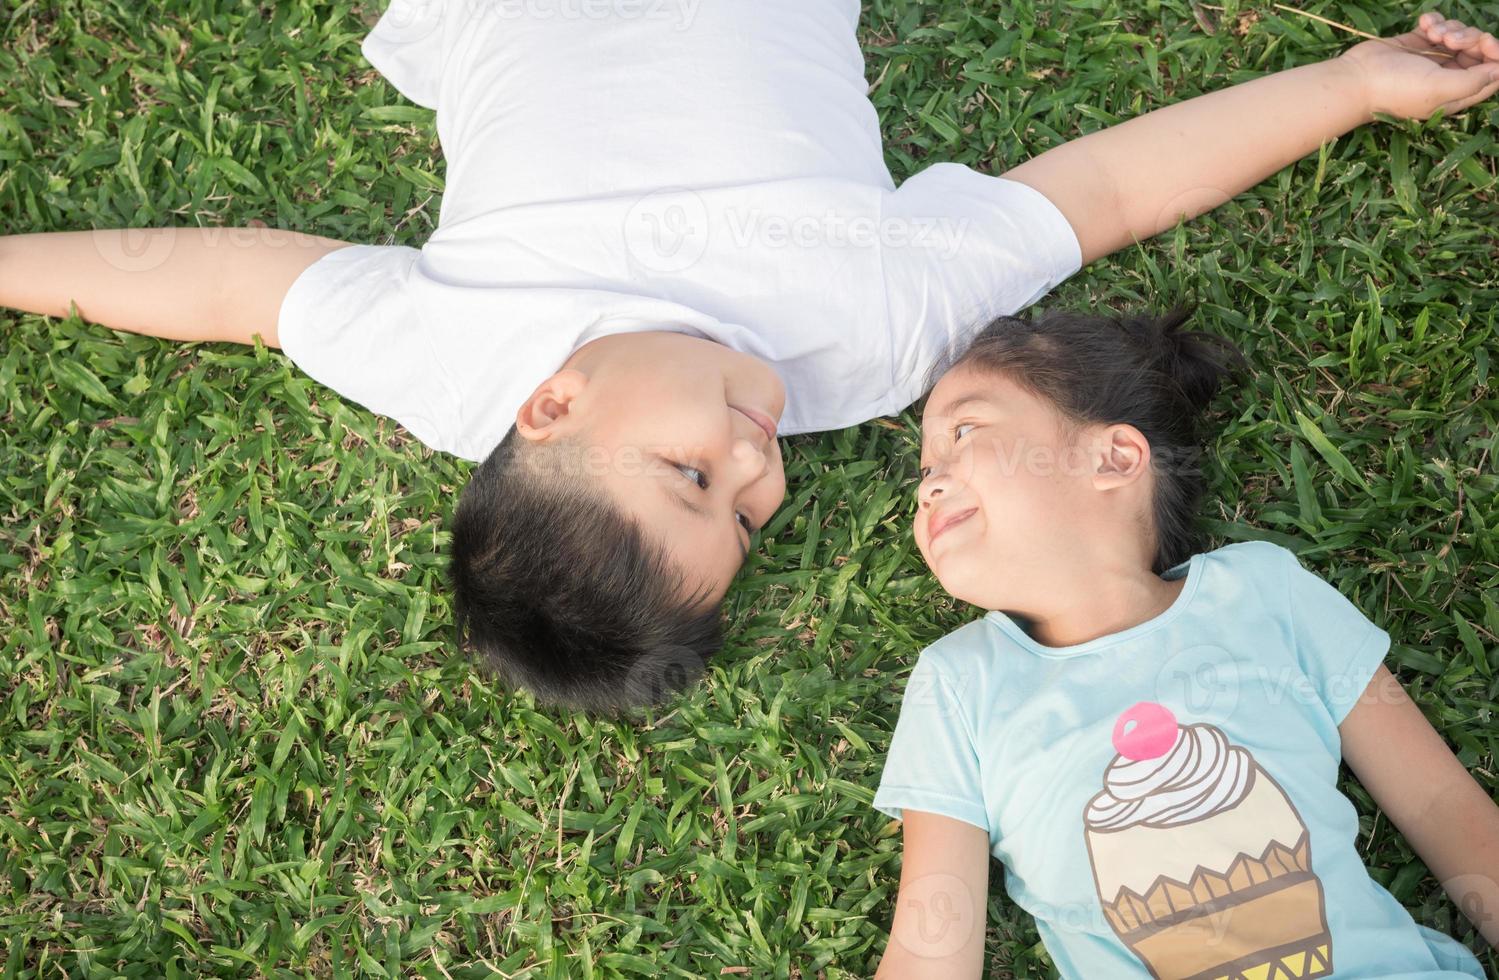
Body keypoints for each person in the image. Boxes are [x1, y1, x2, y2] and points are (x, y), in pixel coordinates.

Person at [2, 4, 1497, 713]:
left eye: (687, 476)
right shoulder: (869, 337)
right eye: (748, 507)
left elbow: (212, 282)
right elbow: (1096, 196)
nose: (756, 461)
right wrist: (1345, 85)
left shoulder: (451, 355)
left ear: (551, 405)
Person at [869, 305, 1499, 977]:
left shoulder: (1264, 595)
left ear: (1113, 458)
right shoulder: (959, 684)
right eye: (922, 470)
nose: (928, 485)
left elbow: (1438, 804)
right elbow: (933, 935)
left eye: (963, 431)